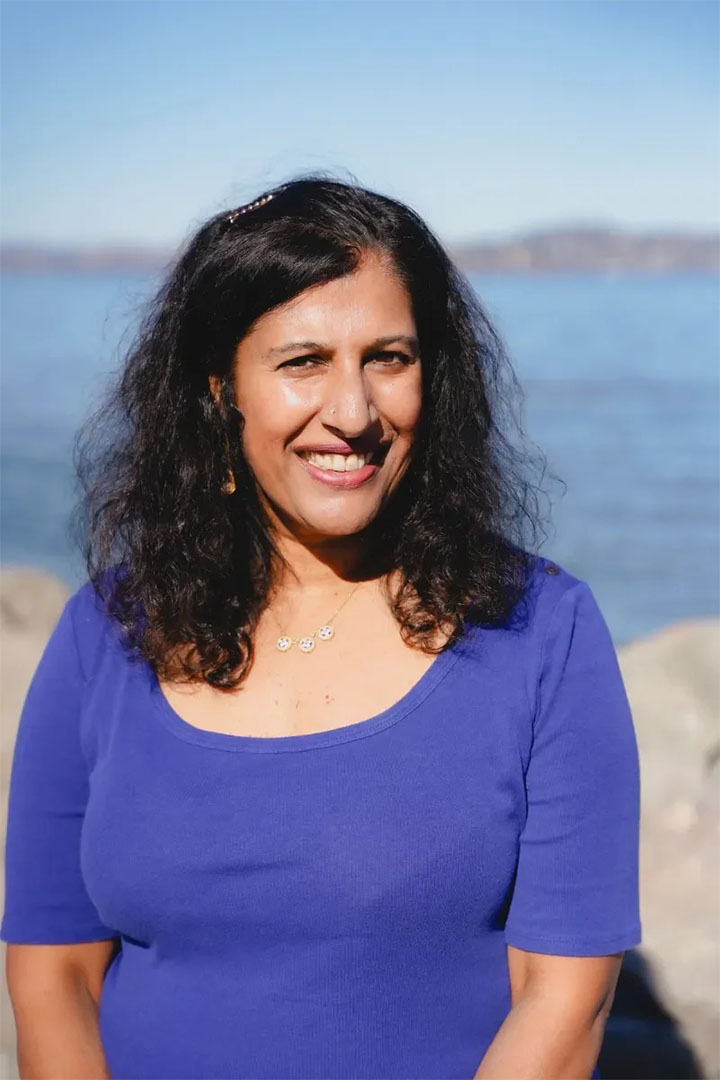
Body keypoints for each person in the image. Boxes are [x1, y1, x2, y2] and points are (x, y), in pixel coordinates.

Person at [1, 175, 642, 1080]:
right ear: (221, 388)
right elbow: (52, 973)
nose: (353, 413)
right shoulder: (106, 634)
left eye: (388, 358)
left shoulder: (539, 632)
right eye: (303, 361)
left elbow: (565, 1005)